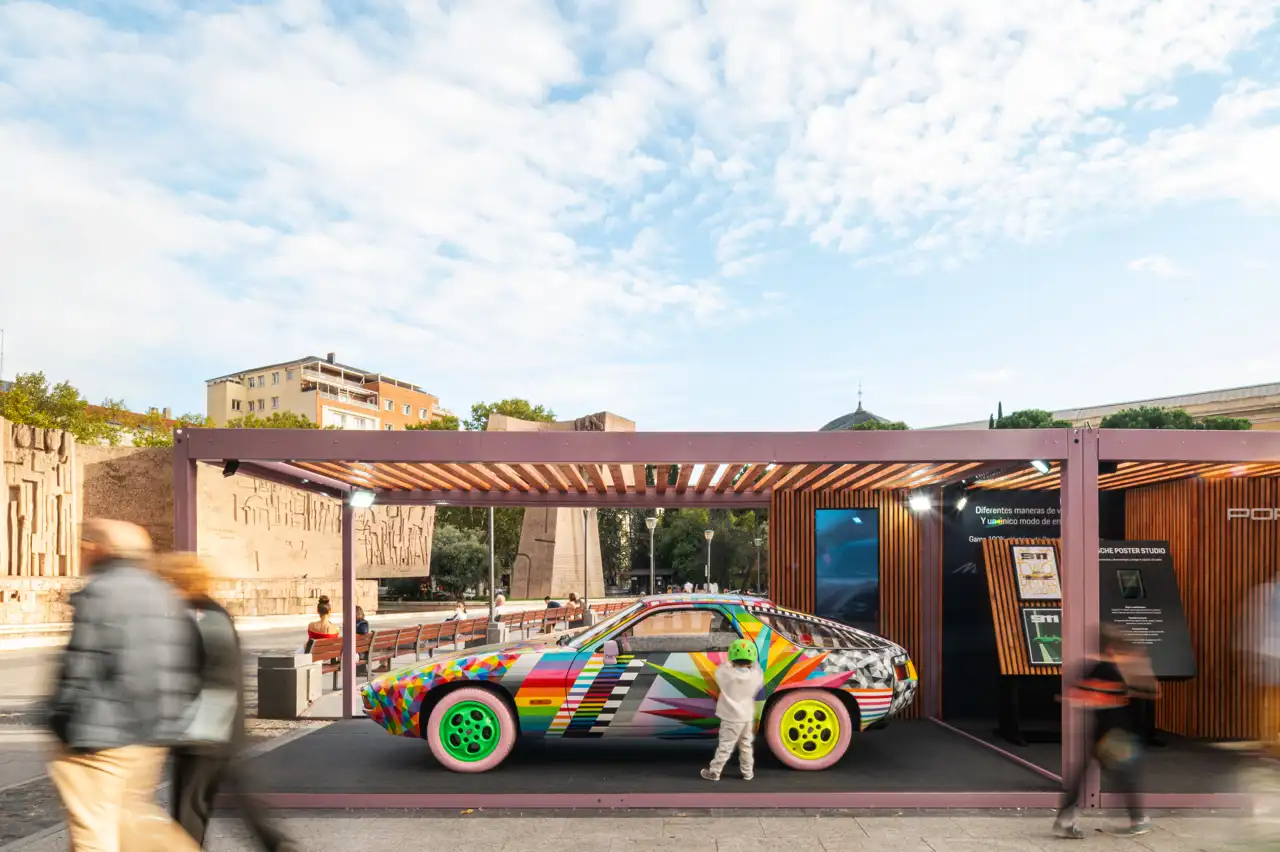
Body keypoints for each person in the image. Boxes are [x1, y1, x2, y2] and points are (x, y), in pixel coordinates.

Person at [46, 519, 202, 852]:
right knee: (129, 822)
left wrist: (60, 720)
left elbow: (81, 666)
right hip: (147, 737)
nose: (81, 551)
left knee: (93, 832)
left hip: (97, 739)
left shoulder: (101, 592)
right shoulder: (163, 593)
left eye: (84, 544)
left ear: (99, 549)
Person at [157, 553, 296, 852]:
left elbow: (212, 676)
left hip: (204, 731)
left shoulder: (202, 617)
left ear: (179, 581)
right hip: (219, 729)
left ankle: (275, 844)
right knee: (238, 799)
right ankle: (277, 844)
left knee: (190, 808)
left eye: (166, 580)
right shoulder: (209, 613)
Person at [1054, 626, 1157, 838]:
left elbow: (1075, 693)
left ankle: (1065, 819)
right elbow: (1150, 690)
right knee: (1126, 775)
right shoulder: (1112, 671)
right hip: (1115, 734)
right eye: (1123, 650)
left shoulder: (1093, 668)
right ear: (1112, 649)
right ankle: (1137, 818)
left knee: (1086, 775)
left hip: (1100, 731)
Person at [701, 639, 764, 782]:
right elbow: (758, 668)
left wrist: (730, 662)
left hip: (731, 718)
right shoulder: (755, 676)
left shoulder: (727, 675)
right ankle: (748, 773)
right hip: (747, 717)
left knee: (725, 746)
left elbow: (721, 669)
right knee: (746, 746)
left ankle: (714, 772)